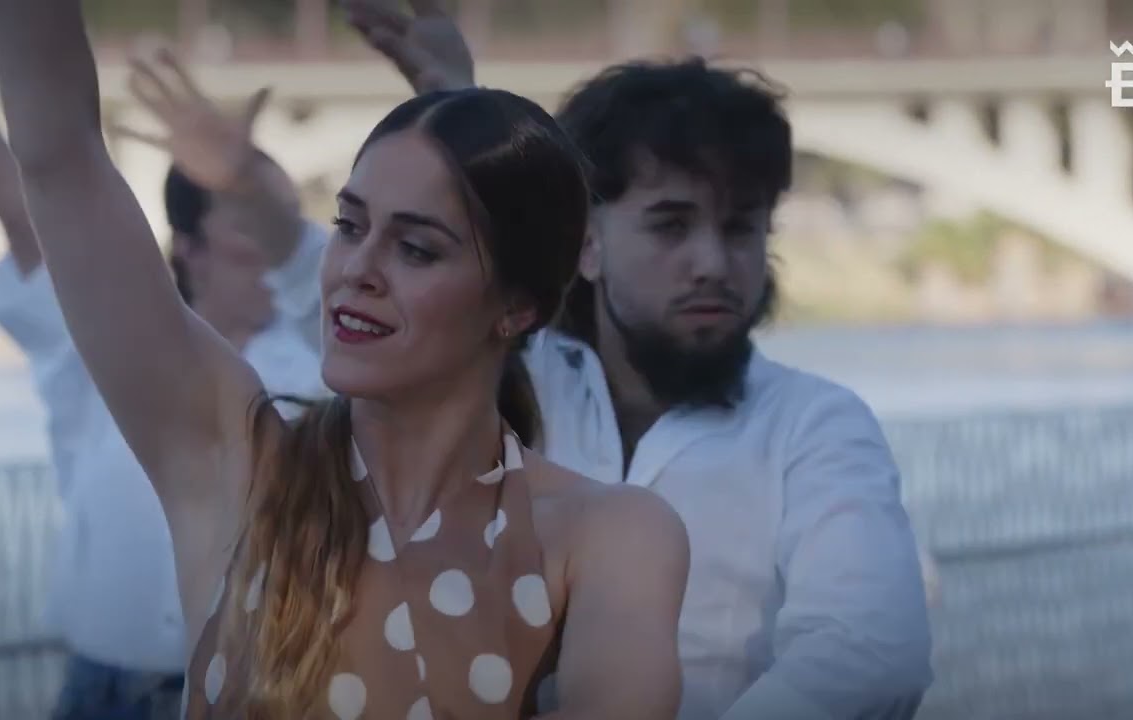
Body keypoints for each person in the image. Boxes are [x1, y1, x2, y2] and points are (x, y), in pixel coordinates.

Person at [0, 0, 690, 718]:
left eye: (416, 248)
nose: (357, 268)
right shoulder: (240, 470)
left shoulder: (607, 536)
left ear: (518, 307)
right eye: (350, 226)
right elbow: (60, 159)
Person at [345, 3, 933, 719]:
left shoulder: (814, 427)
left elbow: (869, 654)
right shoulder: (506, 389)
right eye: (672, 225)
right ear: (585, 244)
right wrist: (462, 106)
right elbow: (405, 300)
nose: (713, 263)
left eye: (741, 227)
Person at [0, 4, 324, 718]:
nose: (280, 245)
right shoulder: (106, 336)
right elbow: (28, 208)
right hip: (102, 689)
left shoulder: (325, 357)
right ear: (191, 246)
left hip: (251, 690)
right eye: (252, 222)